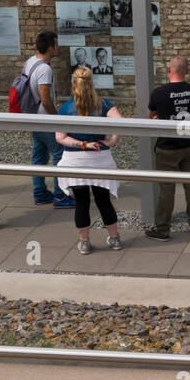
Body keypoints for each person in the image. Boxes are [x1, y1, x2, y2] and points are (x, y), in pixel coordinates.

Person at [55, 67, 123, 254]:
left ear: (73, 83)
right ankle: (115, 238)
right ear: (92, 82)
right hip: (100, 157)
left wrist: (82, 144)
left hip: (75, 160)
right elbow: (121, 123)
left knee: (82, 202)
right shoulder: (103, 104)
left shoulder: (65, 109)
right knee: (104, 201)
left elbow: (60, 137)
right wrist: (111, 141)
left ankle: (84, 242)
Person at [146, 55, 190, 241]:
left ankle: (163, 229)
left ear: (169, 70)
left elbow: (150, 115)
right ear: (186, 71)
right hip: (189, 143)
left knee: (167, 189)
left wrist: (159, 118)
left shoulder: (158, 93)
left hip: (167, 147)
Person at [25, 31, 73, 207]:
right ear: (50, 46)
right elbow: (45, 98)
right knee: (59, 155)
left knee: (39, 155)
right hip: (45, 120)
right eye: (56, 44)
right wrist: (57, 119)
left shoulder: (30, 62)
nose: (57, 47)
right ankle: (60, 195)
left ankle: (39, 192)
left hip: (34, 118)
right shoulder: (44, 69)